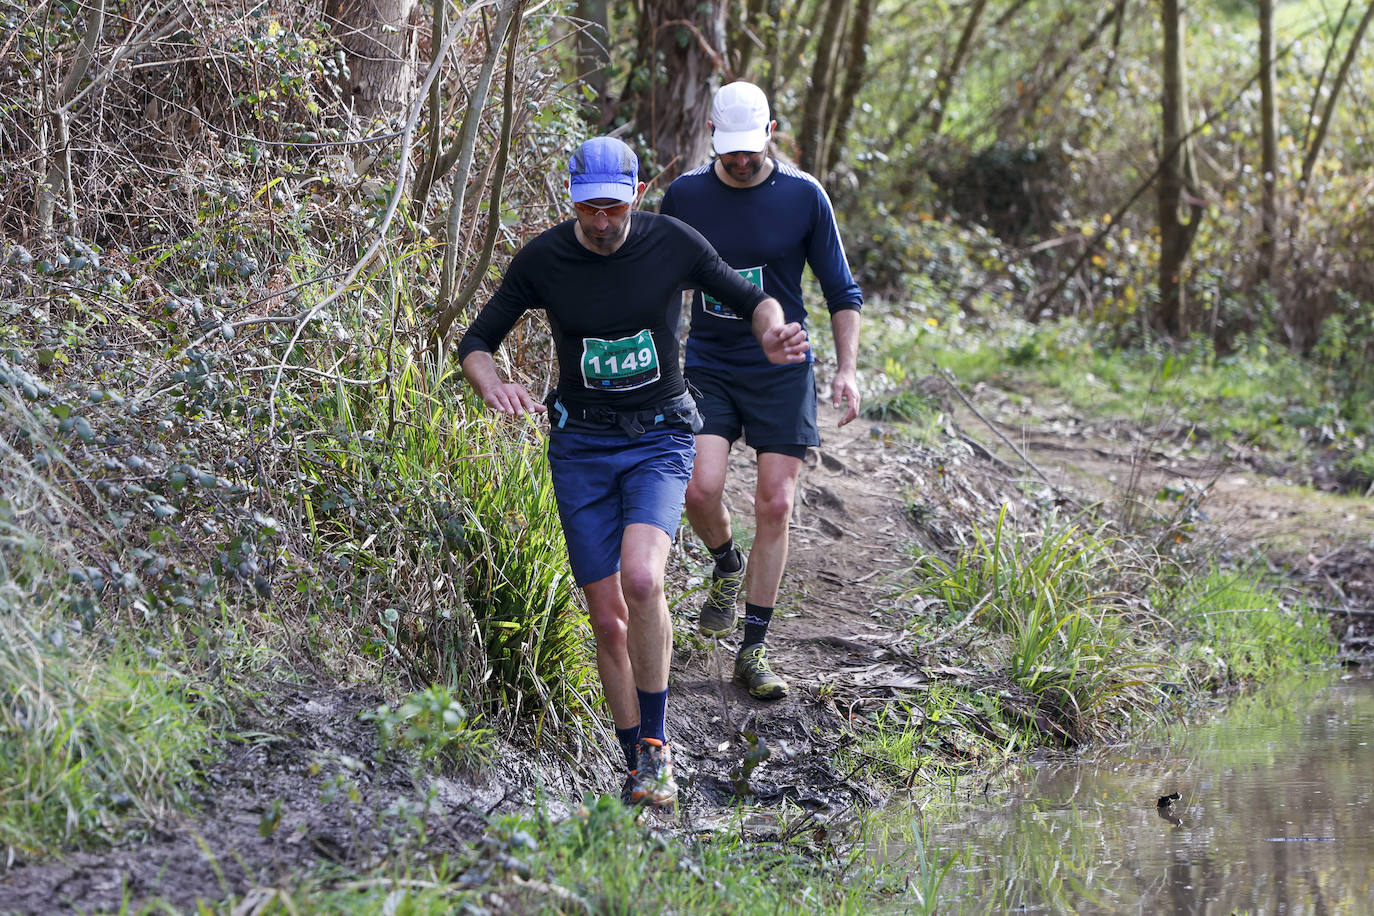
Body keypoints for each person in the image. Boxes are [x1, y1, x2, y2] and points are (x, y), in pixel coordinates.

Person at [457, 136, 810, 807]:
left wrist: (771, 329)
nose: (600, 221)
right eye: (587, 208)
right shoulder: (545, 259)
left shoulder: (671, 242)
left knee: (643, 577)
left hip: (660, 437)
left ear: (637, 195)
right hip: (580, 449)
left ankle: (657, 746)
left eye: (612, 208)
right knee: (608, 621)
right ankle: (635, 769)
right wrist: (492, 383)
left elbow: (749, 296)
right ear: (573, 200)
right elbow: (476, 342)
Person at [660, 81, 863, 700]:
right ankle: (725, 563)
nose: (741, 161)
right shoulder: (686, 196)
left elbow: (841, 291)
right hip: (712, 361)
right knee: (700, 486)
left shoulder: (804, 196)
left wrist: (847, 369)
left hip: (782, 368)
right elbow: (661, 285)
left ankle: (753, 648)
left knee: (775, 504)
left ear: (771, 132)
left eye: (751, 149)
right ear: (713, 139)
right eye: (730, 150)